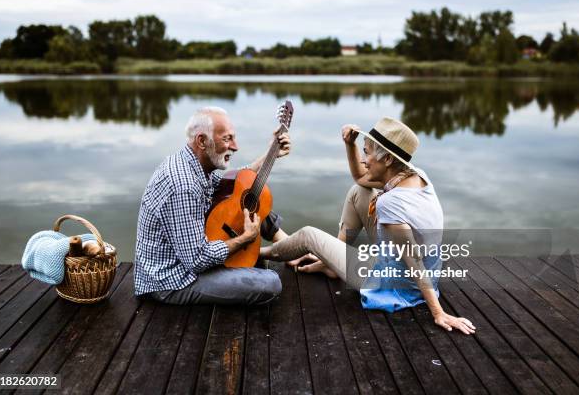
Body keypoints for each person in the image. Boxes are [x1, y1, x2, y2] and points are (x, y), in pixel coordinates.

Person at [260, 117, 476, 334]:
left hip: (396, 285)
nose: (364, 160)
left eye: (367, 153)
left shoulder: (391, 203)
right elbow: (361, 179)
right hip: (414, 269)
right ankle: (332, 263)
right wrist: (350, 145)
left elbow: (414, 260)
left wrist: (438, 313)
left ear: (389, 160)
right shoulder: (416, 176)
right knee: (359, 193)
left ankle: (259, 253)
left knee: (308, 235)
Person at [134, 106, 291, 305]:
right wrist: (244, 239)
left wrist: (271, 154)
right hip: (172, 281)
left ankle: (291, 251)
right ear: (202, 141)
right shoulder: (183, 185)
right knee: (270, 283)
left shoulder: (193, 164)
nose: (235, 146)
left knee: (251, 199)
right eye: (227, 139)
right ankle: (281, 252)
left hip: (188, 261)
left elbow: (236, 181)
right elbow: (197, 261)